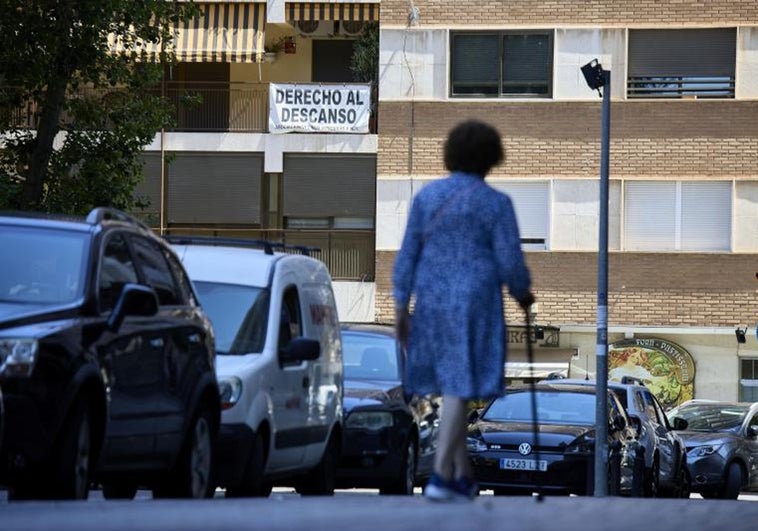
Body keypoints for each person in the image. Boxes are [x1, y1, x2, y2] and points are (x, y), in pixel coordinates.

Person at [393, 119, 534, 502]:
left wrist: (400, 306)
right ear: (491, 158)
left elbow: (407, 255)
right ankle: (439, 476)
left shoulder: (427, 198)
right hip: (476, 303)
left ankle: (462, 477)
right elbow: (510, 260)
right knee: (459, 385)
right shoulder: (495, 203)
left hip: (432, 301)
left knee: (450, 384)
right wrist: (523, 293)